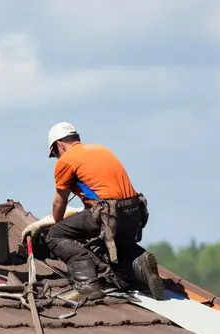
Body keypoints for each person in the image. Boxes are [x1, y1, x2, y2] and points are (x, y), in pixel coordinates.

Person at [21, 122, 166, 300]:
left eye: (55, 153)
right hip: (134, 210)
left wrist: (55, 225)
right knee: (116, 245)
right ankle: (140, 261)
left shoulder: (66, 161)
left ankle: (87, 284)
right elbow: (101, 194)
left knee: (55, 235)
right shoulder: (100, 150)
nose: (56, 157)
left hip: (108, 212)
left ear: (59, 145)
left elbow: (60, 201)